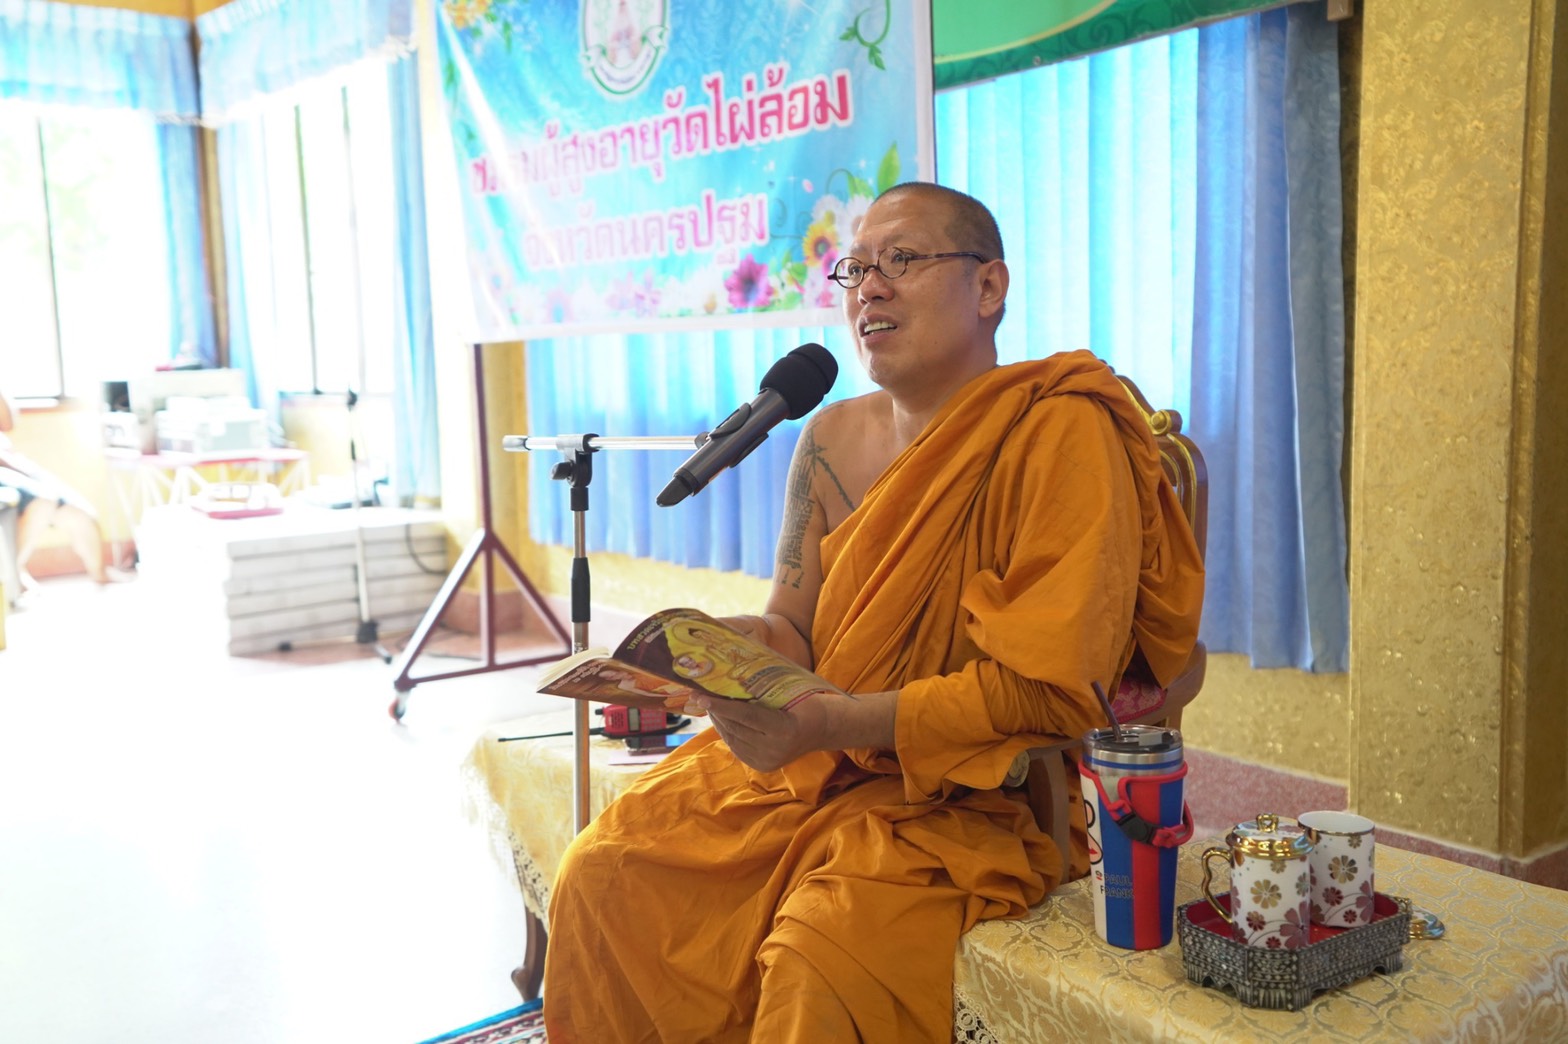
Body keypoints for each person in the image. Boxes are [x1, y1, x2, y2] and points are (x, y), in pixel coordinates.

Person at [541, 182, 1205, 1042]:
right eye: (855, 269)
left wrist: (833, 722)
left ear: (988, 287)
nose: (869, 288)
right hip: (815, 763)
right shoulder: (825, 439)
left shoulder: (1059, 431)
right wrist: (741, 651)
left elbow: (1048, 694)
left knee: (819, 961)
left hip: (972, 796)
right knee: (603, 870)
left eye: (901, 260)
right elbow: (795, 625)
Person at [0, 386, 124, 587]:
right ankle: (13, 577)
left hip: (17, 466)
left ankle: (100, 575)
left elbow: (8, 423)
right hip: (7, 471)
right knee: (43, 501)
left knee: (82, 516)